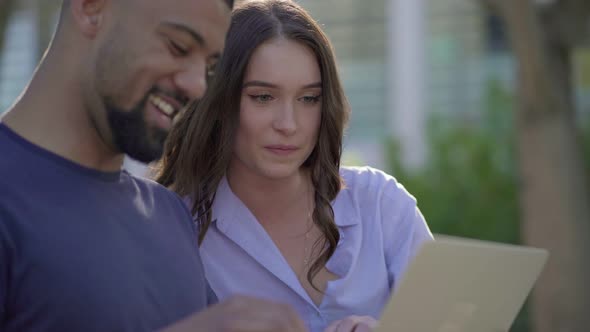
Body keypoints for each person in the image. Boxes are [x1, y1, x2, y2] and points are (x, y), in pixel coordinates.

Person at [0, 0, 306, 331]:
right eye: (178, 46)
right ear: (91, 9)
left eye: (209, 68)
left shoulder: (168, 214)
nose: (197, 86)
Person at [156, 0, 434, 331]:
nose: (289, 124)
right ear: (218, 100)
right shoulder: (174, 229)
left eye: (308, 99)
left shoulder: (381, 205)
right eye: (263, 97)